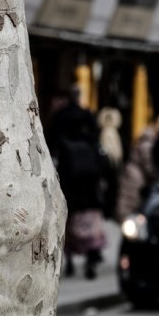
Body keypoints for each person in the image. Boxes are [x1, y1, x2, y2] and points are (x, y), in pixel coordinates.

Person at [52, 88, 110, 279]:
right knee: (91, 219)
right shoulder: (87, 116)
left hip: (69, 176)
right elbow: (96, 141)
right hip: (89, 179)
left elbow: (52, 143)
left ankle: (68, 261)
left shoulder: (60, 117)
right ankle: (91, 258)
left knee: (69, 218)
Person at [116, 114, 159, 222]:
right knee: (129, 205)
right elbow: (148, 165)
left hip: (134, 175)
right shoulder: (148, 142)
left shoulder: (148, 139)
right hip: (135, 177)